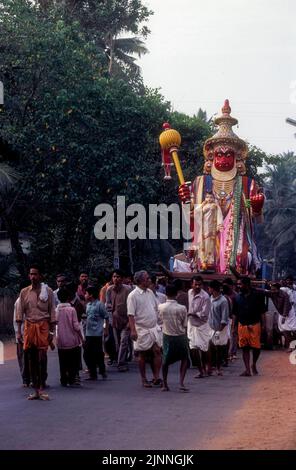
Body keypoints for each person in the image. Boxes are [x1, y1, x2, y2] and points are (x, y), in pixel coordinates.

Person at [178, 100, 264, 274]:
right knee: (204, 255)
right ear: (212, 156)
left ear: (237, 157)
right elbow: (190, 219)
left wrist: (256, 208)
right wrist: (185, 201)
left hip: (237, 238)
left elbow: (258, 220)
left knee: (240, 256)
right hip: (206, 240)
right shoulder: (199, 183)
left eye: (228, 155)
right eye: (219, 155)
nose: (223, 160)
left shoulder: (248, 184)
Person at [16, 264, 56, 400]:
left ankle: (42, 384)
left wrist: (52, 332)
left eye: (35, 274)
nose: (33, 277)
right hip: (29, 327)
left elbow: (52, 312)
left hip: (43, 326)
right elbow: (20, 313)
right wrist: (18, 333)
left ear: (40, 276)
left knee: (42, 357)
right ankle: (36, 390)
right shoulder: (24, 292)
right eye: (31, 274)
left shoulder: (48, 291)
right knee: (30, 359)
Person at [127, 270, 162, 388]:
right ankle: (144, 379)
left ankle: (156, 377)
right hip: (141, 329)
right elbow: (131, 315)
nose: (150, 280)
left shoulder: (150, 293)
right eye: (147, 278)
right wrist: (133, 330)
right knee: (142, 354)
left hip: (153, 328)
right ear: (141, 281)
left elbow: (157, 308)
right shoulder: (133, 295)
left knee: (157, 351)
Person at [158, 284, 190, 392]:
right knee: (184, 358)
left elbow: (159, 321)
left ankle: (165, 384)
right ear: (177, 294)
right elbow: (185, 324)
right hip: (180, 336)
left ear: (166, 294)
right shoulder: (182, 308)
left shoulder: (161, 307)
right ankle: (181, 382)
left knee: (165, 361)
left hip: (167, 336)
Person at [234, 277, 266, 376]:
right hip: (242, 325)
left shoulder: (257, 295)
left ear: (247, 285)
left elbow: (262, 312)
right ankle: (247, 369)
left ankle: (254, 364)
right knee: (245, 348)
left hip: (255, 324)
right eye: (238, 284)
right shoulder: (237, 297)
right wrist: (233, 327)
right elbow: (235, 314)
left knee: (256, 348)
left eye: (240, 284)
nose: (238, 286)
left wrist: (264, 325)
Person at [56, 287, 84, 387]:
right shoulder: (71, 310)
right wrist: (81, 337)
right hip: (72, 340)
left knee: (62, 361)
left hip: (61, 340)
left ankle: (63, 379)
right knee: (73, 361)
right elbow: (76, 326)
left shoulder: (56, 310)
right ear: (68, 298)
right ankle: (72, 379)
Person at [105, 270, 131, 372]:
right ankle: (120, 359)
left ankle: (121, 363)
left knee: (124, 341)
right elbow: (107, 304)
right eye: (114, 277)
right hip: (114, 320)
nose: (116, 279)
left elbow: (131, 306)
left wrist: (130, 321)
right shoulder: (109, 290)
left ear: (122, 278)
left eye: (118, 276)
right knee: (118, 343)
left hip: (126, 319)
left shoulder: (128, 289)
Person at [192, 192, 224, 271]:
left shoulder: (215, 206)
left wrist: (219, 225)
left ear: (213, 198)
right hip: (203, 228)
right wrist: (202, 204)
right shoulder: (203, 205)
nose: (209, 199)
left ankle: (210, 262)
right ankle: (203, 262)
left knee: (210, 245)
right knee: (203, 245)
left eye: (210, 197)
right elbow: (196, 212)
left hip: (211, 228)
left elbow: (219, 215)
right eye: (207, 197)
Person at [187, 276, 211, 378]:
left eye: (199, 284)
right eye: (195, 284)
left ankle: (207, 368)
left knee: (204, 348)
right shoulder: (189, 292)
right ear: (191, 284)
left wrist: (192, 313)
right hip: (191, 324)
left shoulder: (205, 297)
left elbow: (204, 314)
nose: (197, 286)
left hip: (202, 325)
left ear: (202, 285)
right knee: (193, 347)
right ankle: (201, 370)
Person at [83, 286, 109, 380]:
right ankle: (92, 372)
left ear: (91, 295)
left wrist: (106, 329)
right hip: (88, 333)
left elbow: (106, 316)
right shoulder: (88, 305)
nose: (85, 295)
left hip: (97, 333)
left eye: (86, 293)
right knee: (87, 354)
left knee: (98, 353)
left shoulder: (99, 304)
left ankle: (102, 371)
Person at [208, 280, 229, 376]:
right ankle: (210, 367)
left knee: (218, 349)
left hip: (220, 328)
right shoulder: (210, 298)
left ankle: (218, 368)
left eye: (209, 288)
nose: (208, 290)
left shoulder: (223, 301)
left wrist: (219, 331)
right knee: (209, 348)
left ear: (212, 289)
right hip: (210, 328)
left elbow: (224, 318)